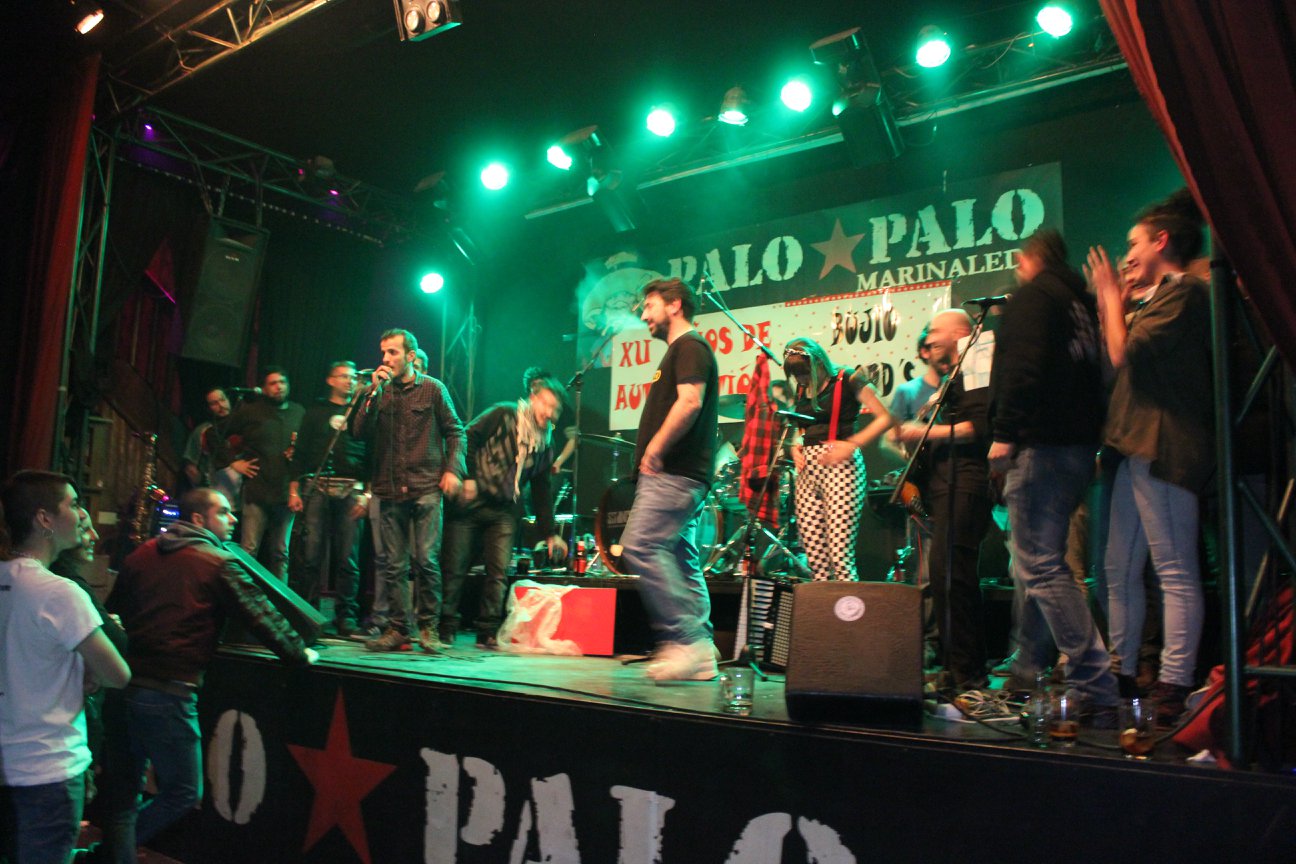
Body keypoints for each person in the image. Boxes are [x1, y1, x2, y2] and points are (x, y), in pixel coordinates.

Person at [96, 488, 316, 863]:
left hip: (123, 688)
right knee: (183, 792)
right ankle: (109, 854)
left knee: (123, 798)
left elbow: (112, 615)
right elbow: (262, 616)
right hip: (169, 691)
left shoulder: (140, 555)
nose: (233, 519)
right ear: (199, 519)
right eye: (224, 512)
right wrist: (300, 653)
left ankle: (110, 855)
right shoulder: (217, 562)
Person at [1086, 189, 1213, 725]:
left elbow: (1123, 353)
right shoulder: (1152, 300)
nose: (1127, 255)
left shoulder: (1186, 292)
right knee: (1118, 568)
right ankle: (1122, 669)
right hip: (1132, 445)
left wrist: (1111, 299)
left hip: (1164, 445)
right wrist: (1113, 306)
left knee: (1174, 569)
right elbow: (1111, 366)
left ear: (1162, 241)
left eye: (1134, 243)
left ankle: (1174, 681)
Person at [987, 229, 1119, 716]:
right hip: (1078, 447)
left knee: (1040, 565)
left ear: (1029, 259)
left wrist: (1005, 433)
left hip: (1041, 444)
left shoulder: (1034, 298)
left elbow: (1023, 368)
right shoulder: (1079, 304)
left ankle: (1094, 683)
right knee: (1040, 564)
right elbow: (1098, 375)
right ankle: (1027, 669)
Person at [0, 471, 130, 864]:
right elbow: (117, 674)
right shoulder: (60, 593)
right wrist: (88, 672)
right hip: (47, 768)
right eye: (73, 504)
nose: (80, 513)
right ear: (44, 519)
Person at [619, 278, 720, 682]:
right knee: (680, 557)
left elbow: (690, 402)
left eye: (649, 305)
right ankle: (704, 651)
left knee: (640, 545)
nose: (643, 314)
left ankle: (687, 641)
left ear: (674, 305)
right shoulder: (682, 350)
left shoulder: (690, 346)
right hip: (684, 474)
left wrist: (655, 449)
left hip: (674, 472)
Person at [893, 309, 993, 692]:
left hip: (965, 481)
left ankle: (967, 672)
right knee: (946, 577)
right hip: (943, 483)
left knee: (954, 576)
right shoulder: (956, 373)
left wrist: (921, 432)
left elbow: (978, 427)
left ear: (960, 332)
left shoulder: (979, 357)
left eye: (936, 330)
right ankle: (958, 667)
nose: (929, 338)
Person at [352, 328, 465, 653]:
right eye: (383, 352)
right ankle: (399, 628)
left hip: (426, 485)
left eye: (393, 352)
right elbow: (357, 432)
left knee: (426, 559)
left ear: (411, 356)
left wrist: (453, 470)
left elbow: (456, 431)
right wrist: (372, 394)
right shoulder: (377, 391)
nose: (386, 358)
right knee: (393, 564)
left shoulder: (433, 388)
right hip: (389, 489)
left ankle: (429, 628)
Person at [440, 376, 569, 647]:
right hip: (471, 502)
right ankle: (446, 626)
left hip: (504, 510)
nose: (549, 413)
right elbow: (467, 436)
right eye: (545, 404)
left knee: (498, 573)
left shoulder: (546, 444)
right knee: (455, 568)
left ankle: (487, 630)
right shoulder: (504, 413)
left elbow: (542, 490)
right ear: (532, 399)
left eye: (555, 409)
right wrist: (468, 476)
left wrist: (549, 533)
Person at [783, 337, 892, 581]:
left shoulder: (848, 378)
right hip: (808, 472)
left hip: (842, 468)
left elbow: (886, 417)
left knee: (840, 556)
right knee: (816, 560)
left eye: (804, 373)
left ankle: (847, 606)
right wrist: (795, 447)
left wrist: (852, 444)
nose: (801, 380)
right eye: (796, 376)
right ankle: (823, 606)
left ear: (819, 363)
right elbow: (800, 429)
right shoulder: (801, 389)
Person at [288, 361, 370, 637]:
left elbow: (371, 454)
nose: (349, 381)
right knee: (311, 555)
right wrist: (294, 490)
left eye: (353, 377)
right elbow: (300, 452)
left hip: (351, 488)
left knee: (348, 558)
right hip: (318, 485)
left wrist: (367, 494)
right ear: (330, 380)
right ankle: (309, 614)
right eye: (343, 376)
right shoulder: (315, 412)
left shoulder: (362, 412)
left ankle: (346, 617)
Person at [217, 367, 305, 578]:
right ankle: (244, 594)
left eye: (282, 382)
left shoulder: (298, 412)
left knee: (281, 553)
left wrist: (298, 451)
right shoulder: (251, 411)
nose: (279, 387)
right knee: (249, 550)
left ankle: (280, 598)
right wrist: (233, 462)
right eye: (273, 383)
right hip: (257, 490)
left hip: (286, 491)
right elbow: (214, 433)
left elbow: (307, 448)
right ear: (264, 388)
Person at [181, 388, 241, 506]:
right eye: (214, 403)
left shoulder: (243, 425)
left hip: (242, 493)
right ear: (208, 408)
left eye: (222, 400)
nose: (221, 406)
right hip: (214, 492)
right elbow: (190, 466)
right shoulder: (202, 431)